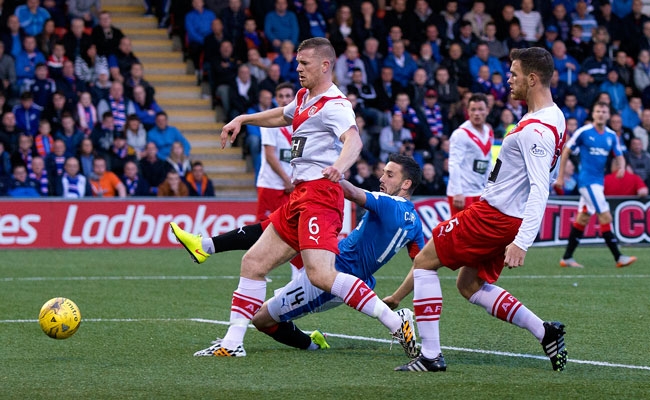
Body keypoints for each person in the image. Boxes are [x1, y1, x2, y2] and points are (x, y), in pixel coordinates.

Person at [183, 37, 415, 358]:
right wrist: (242, 119)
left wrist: (339, 166)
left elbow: (354, 141)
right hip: (299, 195)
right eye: (297, 62)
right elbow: (282, 115)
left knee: (320, 275)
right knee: (252, 262)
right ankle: (232, 343)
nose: (298, 69)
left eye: (304, 63)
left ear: (325, 65)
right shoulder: (305, 97)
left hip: (320, 195)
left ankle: (394, 320)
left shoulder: (335, 104)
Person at [394, 47, 568, 373]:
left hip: (494, 216)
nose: (509, 81)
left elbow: (540, 187)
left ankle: (431, 356)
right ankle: (545, 331)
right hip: (503, 216)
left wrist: (522, 241)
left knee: (423, 262)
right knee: (468, 285)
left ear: (532, 79)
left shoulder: (536, 129)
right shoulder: (553, 116)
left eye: (514, 75)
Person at [171, 154, 425, 355]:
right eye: (383, 172)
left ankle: (315, 342)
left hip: (331, 278)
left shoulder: (386, 202)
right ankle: (206, 246)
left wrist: (327, 171)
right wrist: (396, 296)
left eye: (389, 174)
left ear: (406, 183)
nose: (382, 178)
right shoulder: (414, 223)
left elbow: (352, 192)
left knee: (261, 318)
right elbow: (421, 265)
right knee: (281, 227)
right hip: (346, 271)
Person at [556, 101, 637, 270]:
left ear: (608, 115)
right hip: (587, 182)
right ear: (593, 114)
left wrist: (621, 166)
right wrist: (560, 177)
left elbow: (619, 155)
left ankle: (567, 257)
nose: (601, 114)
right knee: (605, 216)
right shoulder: (584, 132)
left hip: (598, 183)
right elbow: (566, 151)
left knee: (583, 218)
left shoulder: (611, 135)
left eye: (604, 111)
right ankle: (619, 256)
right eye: (598, 111)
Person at [446, 93, 493, 215]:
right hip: (462, 194)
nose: (477, 113)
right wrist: (457, 192)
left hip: (480, 192)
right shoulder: (460, 134)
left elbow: (488, 162)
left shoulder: (489, 132)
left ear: (487, 110)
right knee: (460, 233)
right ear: (468, 111)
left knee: (479, 232)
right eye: (473, 109)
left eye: (480, 109)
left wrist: (490, 188)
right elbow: (454, 163)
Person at [255, 82, 294, 221]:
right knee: (264, 228)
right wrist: (287, 180)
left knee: (289, 229)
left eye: (288, 96)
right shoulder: (269, 121)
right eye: (281, 96)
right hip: (271, 184)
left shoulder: (299, 123)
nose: (284, 100)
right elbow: (270, 155)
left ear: (294, 99)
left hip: (291, 185)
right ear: (275, 99)